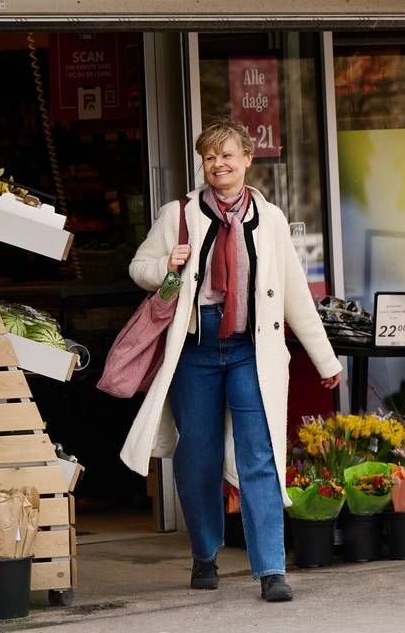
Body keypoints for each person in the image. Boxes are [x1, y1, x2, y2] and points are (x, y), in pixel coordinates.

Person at [120, 119, 342, 603]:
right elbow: (139, 268)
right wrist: (167, 266)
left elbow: (294, 295)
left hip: (250, 350)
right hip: (195, 351)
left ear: (247, 159)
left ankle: (271, 569)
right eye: (209, 157)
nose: (217, 164)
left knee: (259, 455)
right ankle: (204, 552)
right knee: (196, 455)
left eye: (226, 155)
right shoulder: (179, 214)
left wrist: (326, 360)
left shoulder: (272, 219)